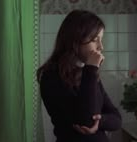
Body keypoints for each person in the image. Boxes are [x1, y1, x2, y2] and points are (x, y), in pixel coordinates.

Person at [37, 10, 122, 142]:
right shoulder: (51, 76)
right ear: (75, 40)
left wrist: (100, 121)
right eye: (95, 40)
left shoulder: (88, 73)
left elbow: (116, 119)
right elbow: (85, 122)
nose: (101, 47)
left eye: (101, 40)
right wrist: (91, 69)